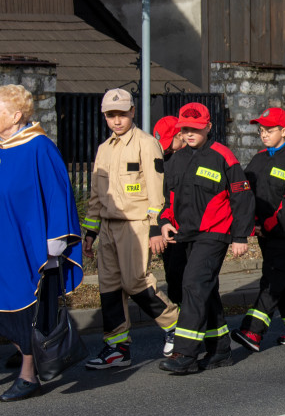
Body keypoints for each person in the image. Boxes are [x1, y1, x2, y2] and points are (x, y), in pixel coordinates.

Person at [0, 85, 83, 402]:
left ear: (16, 115)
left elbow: (58, 194)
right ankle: (27, 350)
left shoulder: (40, 148)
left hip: (27, 248)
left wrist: (54, 247)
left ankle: (29, 374)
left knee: (24, 312)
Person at [82, 89, 179, 369]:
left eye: (122, 114)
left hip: (135, 225)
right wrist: (91, 233)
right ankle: (117, 347)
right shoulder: (104, 149)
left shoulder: (147, 144)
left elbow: (156, 190)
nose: (116, 120)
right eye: (111, 115)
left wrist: (154, 228)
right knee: (109, 287)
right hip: (109, 229)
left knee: (135, 281)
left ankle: (174, 323)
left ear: (133, 112)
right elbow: (96, 196)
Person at [158, 102, 255, 374]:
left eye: (195, 129)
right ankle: (220, 350)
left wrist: (240, 236)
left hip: (215, 234)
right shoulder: (176, 160)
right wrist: (165, 221)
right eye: (185, 129)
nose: (189, 134)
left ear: (209, 127)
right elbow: (168, 198)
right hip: (184, 235)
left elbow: (242, 196)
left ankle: (184, 354)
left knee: (194, 284)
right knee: (205, 290)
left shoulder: (223, 156)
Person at [232, 107, 285, 352]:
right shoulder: (259, 158)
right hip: (262, 231)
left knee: (272, 280)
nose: (263, 134)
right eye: (261, 130)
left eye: (269, 130)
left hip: (283, 233)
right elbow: (247, 192)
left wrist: (268, 225)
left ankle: (253, 331)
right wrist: (250, 223)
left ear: (284, 131)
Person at [153, 115, 187, 305]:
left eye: (168, 142)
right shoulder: (166, 160)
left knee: (186, 277)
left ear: (180, 135)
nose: (165, 148)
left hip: (187, 227)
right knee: (172, 275)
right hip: (170, 226)